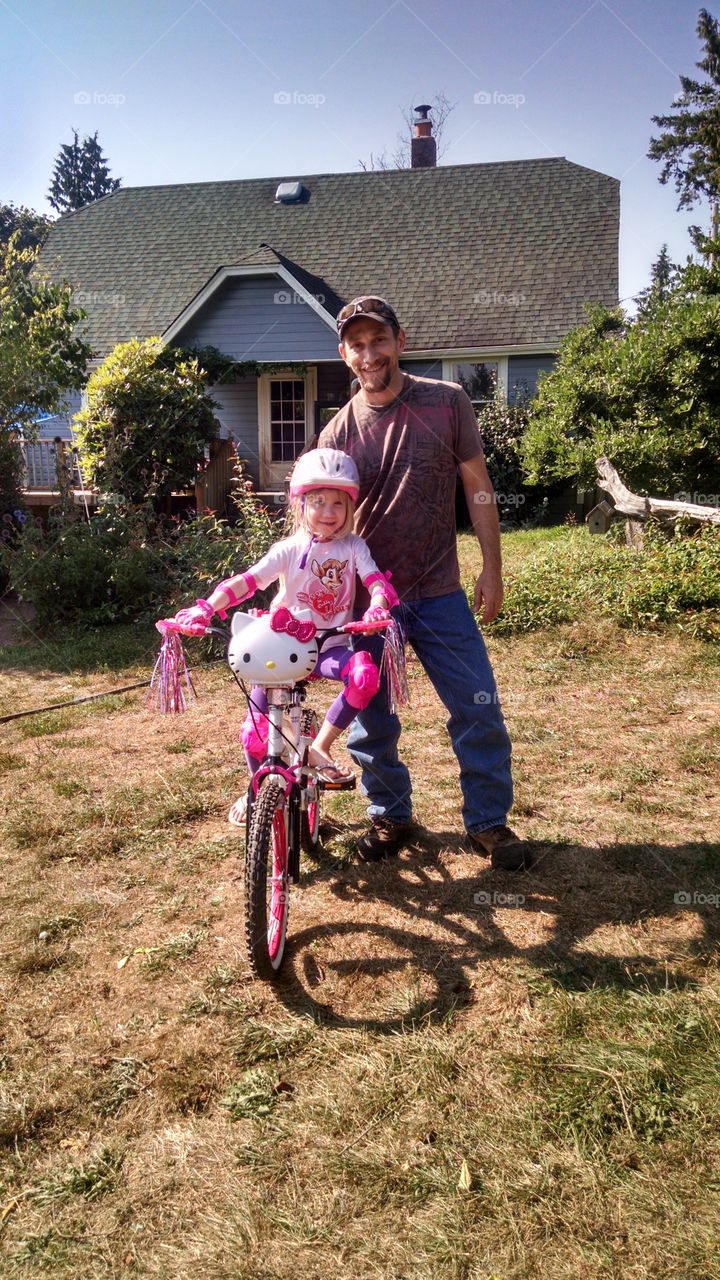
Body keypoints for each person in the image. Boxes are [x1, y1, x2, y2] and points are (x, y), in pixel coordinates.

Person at [318, 295, 532, 870]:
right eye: (357, 345)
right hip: (370, 604)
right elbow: (320, 522)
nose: (369, 353)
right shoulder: (337, 435)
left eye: (378, 340)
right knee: (370, 718)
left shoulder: (447, 402)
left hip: (439, 590)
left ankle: (488, 823)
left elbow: (477, 484)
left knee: (476, 704)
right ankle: (390, 813)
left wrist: (493, 565)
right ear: (344, 354)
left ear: (400, 341)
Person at [170, 448, 396, 821]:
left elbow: (375, 582)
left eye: (338, 504)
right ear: (301, 504)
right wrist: (207, 607)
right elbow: (247, 581)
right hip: (282, 645)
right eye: (318, 502)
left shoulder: (354, 547)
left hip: (328, 646)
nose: (327, 512)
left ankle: (319, 747)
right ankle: (255, 788)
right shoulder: (288, 549)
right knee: (256, 732)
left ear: (350, 508)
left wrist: (377, 606)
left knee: (363, 676)